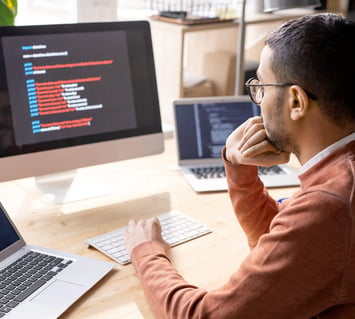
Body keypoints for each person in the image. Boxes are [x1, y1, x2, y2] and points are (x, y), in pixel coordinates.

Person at [123, 13, 355, 318]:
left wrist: (147, 252)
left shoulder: (332, 204)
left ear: (296, 102)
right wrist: (240, 169)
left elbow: (203, 316)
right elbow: (279, 252)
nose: (257, 99)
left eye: (262, 86)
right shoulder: (338, 176)